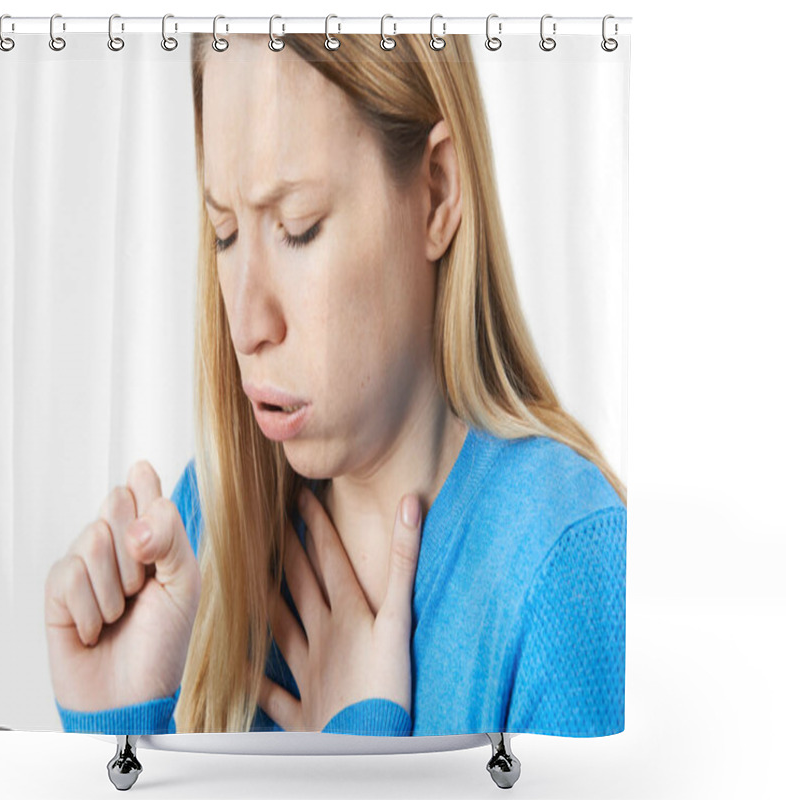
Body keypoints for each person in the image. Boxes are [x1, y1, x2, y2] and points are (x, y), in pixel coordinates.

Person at [47, 32, 627, 737]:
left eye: (299, 228)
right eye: (225, 233)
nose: (247, 324)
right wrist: (126, 726)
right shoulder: (207, 525)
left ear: (436, 192)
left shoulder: (569, 567)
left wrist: (356, 754)